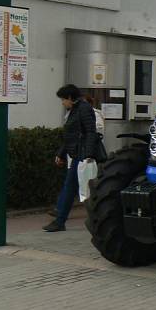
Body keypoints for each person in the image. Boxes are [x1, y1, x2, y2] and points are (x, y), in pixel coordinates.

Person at [43, 84, 100, 232]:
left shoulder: (83, 109)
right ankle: (60, 221)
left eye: (63, 99)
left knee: (80, 188)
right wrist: (61, 153)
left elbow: (90, 132)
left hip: (82, 155)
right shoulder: (74, 110)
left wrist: (88, 155)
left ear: (69, 97)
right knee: (75, 187)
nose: (62, 103)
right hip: (77, 154)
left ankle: (61, 221)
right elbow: (70, 136)